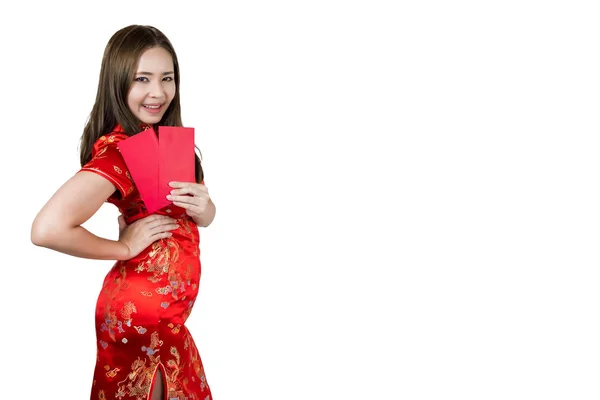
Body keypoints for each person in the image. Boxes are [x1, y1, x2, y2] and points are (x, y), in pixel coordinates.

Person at [31, 25, 216, 400]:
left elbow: (190, 222)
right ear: (118, 83)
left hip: (166, 315)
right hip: (144, 316)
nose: (159, 92)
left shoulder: (163, 142)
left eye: (168, 78)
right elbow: (47, 229)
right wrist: (123, 248)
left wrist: (207, 208)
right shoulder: (118, 153)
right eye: (142, 79)